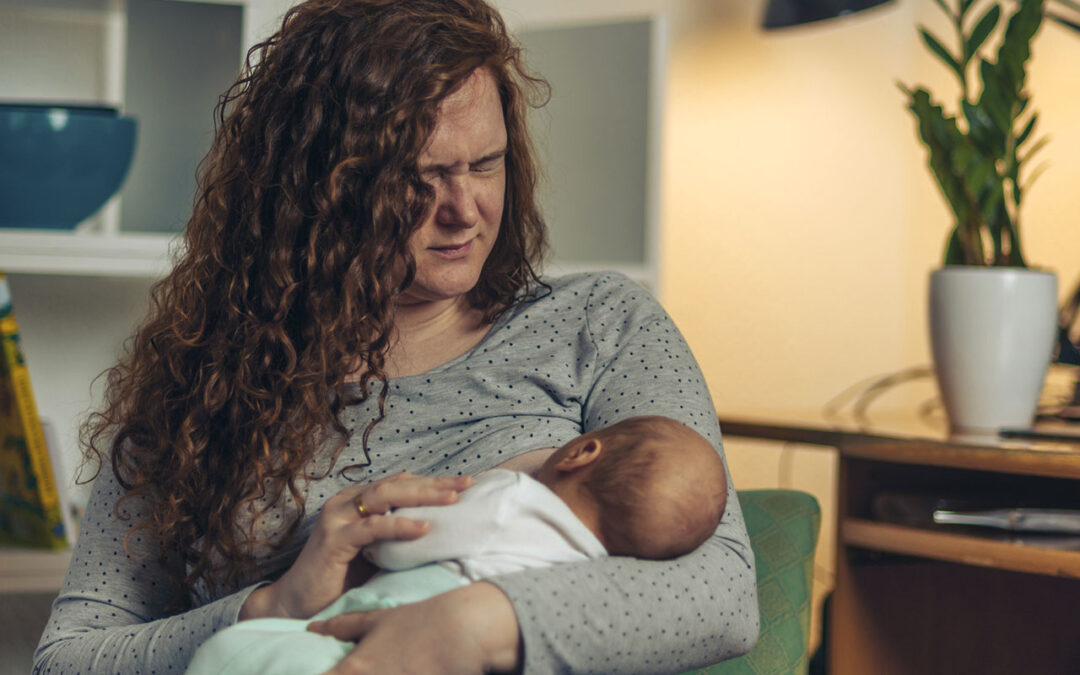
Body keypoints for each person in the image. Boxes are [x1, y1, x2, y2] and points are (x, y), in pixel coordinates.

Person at [34, 0, 758, 673]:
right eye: (420, 177)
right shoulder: (204, 379)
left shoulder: (599, 324)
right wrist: (274, 603)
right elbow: (67, 657)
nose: (465, 209)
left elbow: (722, 593)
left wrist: (475, 623)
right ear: (323, 186)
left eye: (486, 163)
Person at [186, 415, 729, 675]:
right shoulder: (591, 569)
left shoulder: (514, 500)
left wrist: (374, 538)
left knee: (226, 654)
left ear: (583, 452)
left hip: (361, 641)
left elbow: (408, 541)